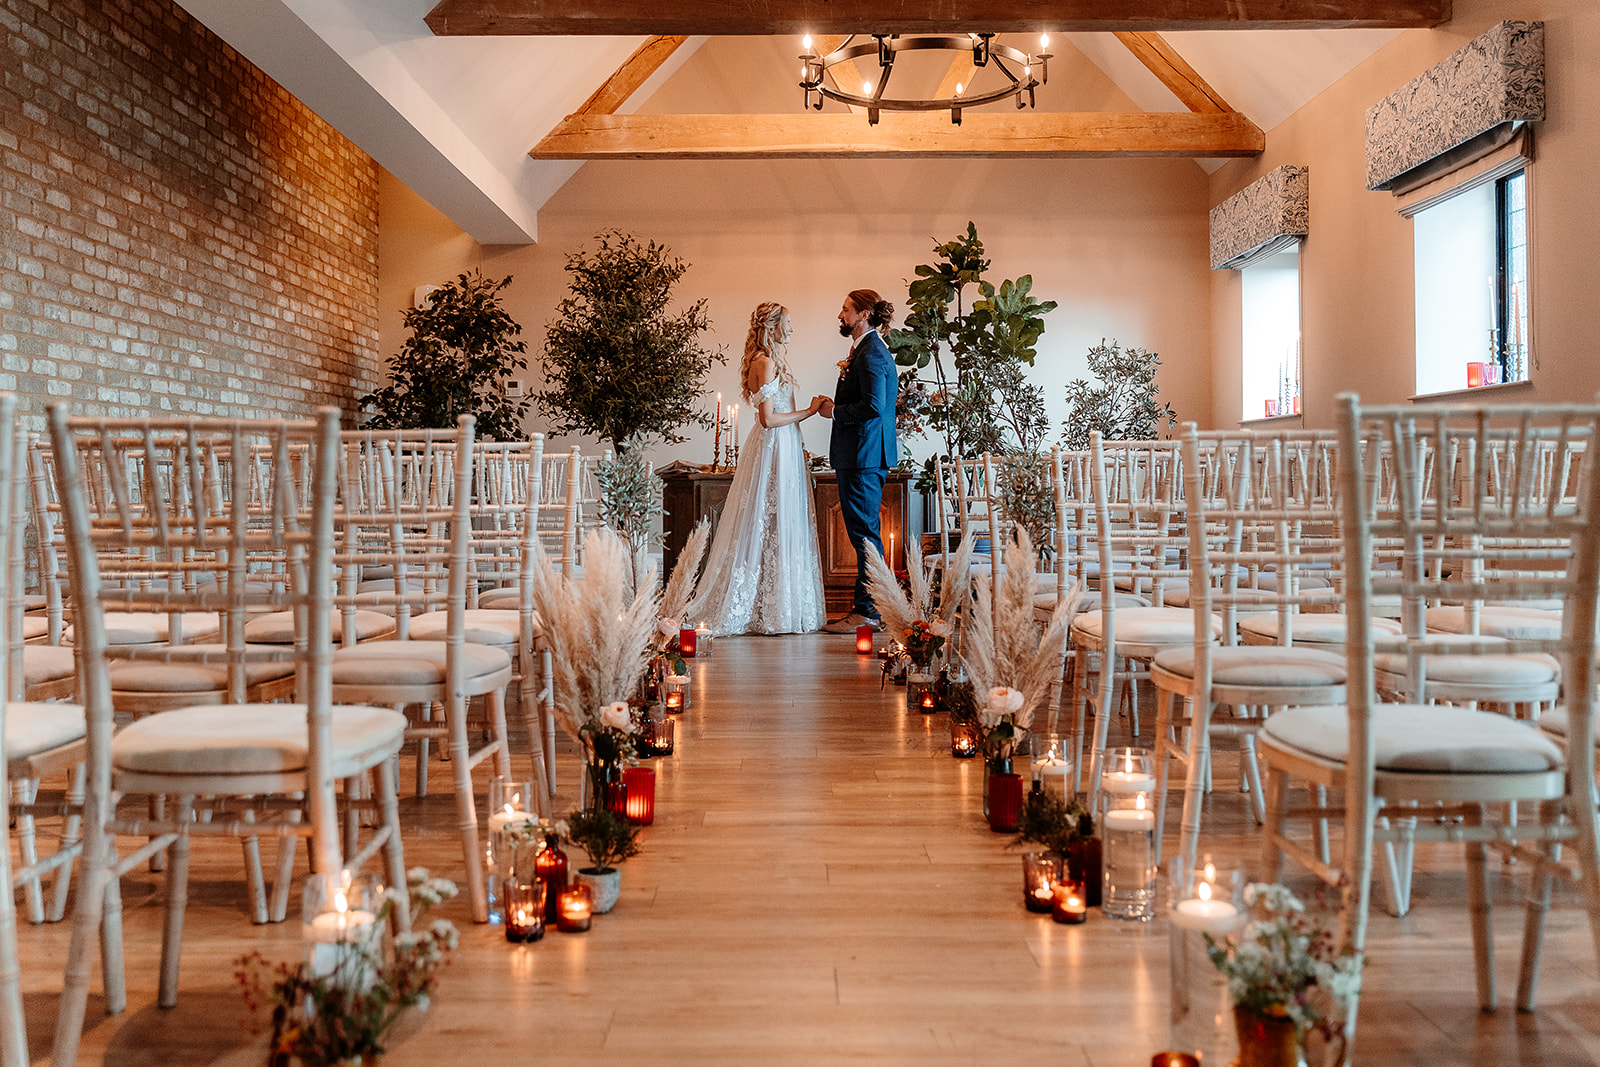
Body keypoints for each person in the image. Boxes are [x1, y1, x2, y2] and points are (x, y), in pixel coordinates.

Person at [689, 302, 827, 636]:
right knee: (766, 520)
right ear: (773, 326)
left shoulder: (771, 360)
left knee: (781, 521)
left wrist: (799, 443)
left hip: (786, 446)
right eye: (787, 324)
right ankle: (764, 608)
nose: (791, 330)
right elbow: (768, 419)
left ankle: (780, 606)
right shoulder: (764, 362)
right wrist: (809, 412)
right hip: (773, 447)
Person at [816, 289, 898, 634]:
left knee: (865, 535)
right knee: (863, 533)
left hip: (864, 456)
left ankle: (868, 611)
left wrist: (834, 411)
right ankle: (871, 608)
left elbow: (874, 406)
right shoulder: (864, 350)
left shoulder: (872, 353)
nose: (841, 315)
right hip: (861, 455)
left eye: (846, 309)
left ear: (864, 314)